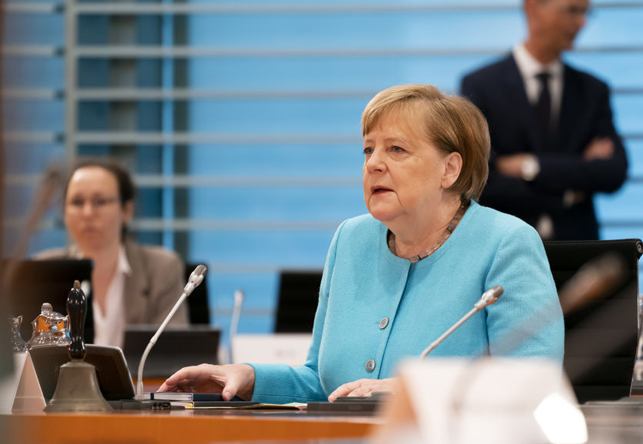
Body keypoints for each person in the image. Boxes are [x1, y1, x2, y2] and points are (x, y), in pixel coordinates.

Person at [159, 85, 564, 404]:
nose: (373, 163)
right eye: (368, 149)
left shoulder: (505, 244)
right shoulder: (351, 239)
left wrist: (405, 392)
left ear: (449, 168)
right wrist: (248, 377)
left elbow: (531, 383)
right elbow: (322, 381)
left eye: (396, 149)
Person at [460, 0, 627, 241]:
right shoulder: (480, 86)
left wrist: (530, 166)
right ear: (533, 7)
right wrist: (568, 192)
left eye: (586, 12)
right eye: (572, 10)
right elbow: (482, 182)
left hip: (579, 250)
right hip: (504, 248)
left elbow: (613, 171)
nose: (582, 22)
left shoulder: (592, 90)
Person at [36, 159, 188, 347]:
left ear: (127, 211)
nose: (88, 212)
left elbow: (173, 351)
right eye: (77, 202)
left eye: (100, 202)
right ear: (65, 213)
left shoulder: (161, 268)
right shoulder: (46, 270)